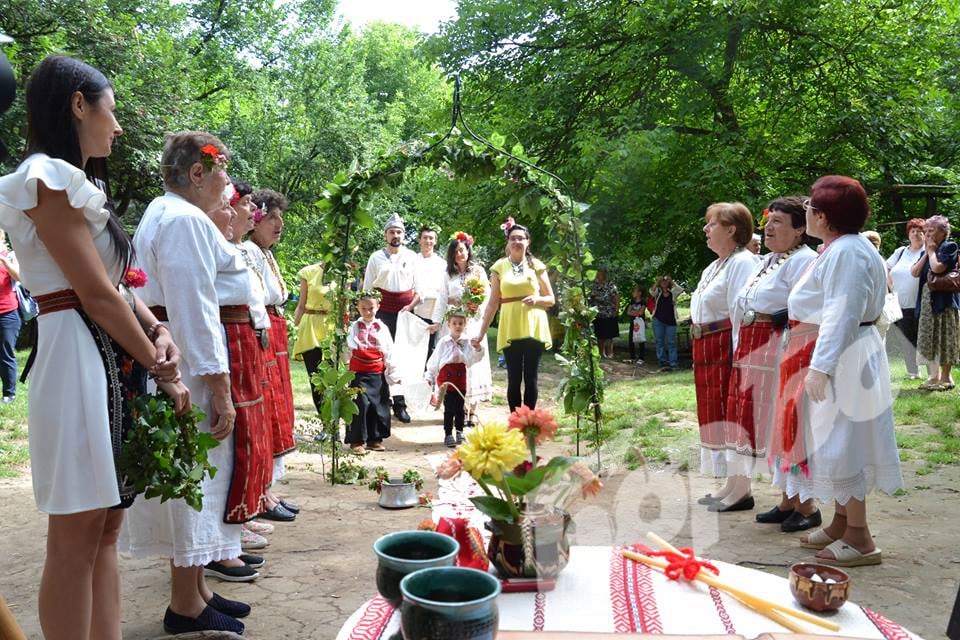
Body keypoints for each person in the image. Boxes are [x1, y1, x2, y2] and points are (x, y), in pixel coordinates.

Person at [0, 56, 188, 640]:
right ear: (78, 105)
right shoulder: (43, 178)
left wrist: (158, 330)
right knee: (75, 534)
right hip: (76, 358)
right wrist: (163, 372)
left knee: (106, 526)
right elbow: (93, 295)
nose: (119, 126)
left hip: (108, 359)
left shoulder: (78, 183)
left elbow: (116, 290)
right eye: (112, 108)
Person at [121, 132, 254, 634]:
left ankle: (195, 588)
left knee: (201, 478)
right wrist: (219, 387)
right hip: (189, 369)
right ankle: (185, 606)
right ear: (197, 173)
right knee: (193, 480)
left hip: (184, 362)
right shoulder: (181, 220)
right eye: (221, 171)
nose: (227, 183)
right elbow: (193, 309)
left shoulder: (172, 214)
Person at [774, 175, 902, 567]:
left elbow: (841, 314)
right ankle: (841, 523)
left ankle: (860, 537)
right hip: (839, 352)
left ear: (825, 216)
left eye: (811, 207)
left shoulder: (847, 251)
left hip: (843, 357)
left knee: (844, 441)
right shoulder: (840, 248)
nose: (808, 211)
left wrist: (821, 367)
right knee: (833, 439)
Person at [719, 197, 819, 523]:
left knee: (789, 423)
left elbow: (807, 305)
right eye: (769, 220)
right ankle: (787, 500)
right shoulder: (770, 259)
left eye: (778, 221)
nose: (769, 226)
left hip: (780, 348)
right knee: (772, 427)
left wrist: (781, 320)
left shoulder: (803, 260)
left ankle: (808, 505)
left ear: (800, 228)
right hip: (754, 346)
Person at [690, 202, 760, 493]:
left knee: (730, 413)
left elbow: (740, 312)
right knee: (715, 412)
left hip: (725, 347)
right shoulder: (715, 265)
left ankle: (741, 487)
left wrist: (739, 357)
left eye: (712, 224)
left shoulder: (742, 263)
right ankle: (732, 484)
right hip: (706, 347)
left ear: (731, 229)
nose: (706, 229)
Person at [248, 188, 300, 520]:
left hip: (274, 328)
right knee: (266, 408)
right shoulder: (250, 252)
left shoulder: (265, 253)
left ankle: (268, 488)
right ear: (255, 221)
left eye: (280, 217)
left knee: (278, 407)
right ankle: (260, 493)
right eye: (271, 218)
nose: (278, 224)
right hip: (262, 330)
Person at [473, 220, 555, 411]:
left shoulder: (537, 266)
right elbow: (493, 302)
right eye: (513, 238)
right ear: (508, 242)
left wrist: (537, 299)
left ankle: (529, 423)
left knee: (531, 376)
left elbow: (550, 299)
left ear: (528, 242)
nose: (517, 241)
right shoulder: (499, 266)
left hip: (534, 325)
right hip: (510, 324)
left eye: (521, 238)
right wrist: (481, 332)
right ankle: (515, 422)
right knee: (514, 376)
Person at [433, 232, 493, 426]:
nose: (460, 254)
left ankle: (473, 410)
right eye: (456, 251)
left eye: (462, 250)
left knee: (473, 361)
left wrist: (478, 307)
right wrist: (437, 321)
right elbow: (442, 299)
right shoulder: (446, 274)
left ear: (468, 250)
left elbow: (487, 296)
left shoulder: (478, 272)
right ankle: (461, 406)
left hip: (473, 322)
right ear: (451, 254)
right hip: (454, 323)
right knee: (456, 361)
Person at [363, 213, 418, 423]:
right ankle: (382, 402)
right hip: (382, 312)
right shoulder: (376, 257)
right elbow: (368, 287)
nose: (395, 235)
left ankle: (401, 404)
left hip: (405, 313)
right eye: (392, 232)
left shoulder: (411, 257)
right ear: (385, 235)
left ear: (403, 235)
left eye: (399, 232)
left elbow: (418, 286)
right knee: (383, 356)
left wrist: (411, 307)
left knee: (402, 358)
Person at [345, 290, 399, 453]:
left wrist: (392, 369)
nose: (368, 312)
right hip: (359, 372)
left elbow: (389, 349)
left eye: (371, 308)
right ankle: (357, 440)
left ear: (378, 306)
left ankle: (374, 438)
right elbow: (347, 348)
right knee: (360, 403)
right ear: (358, 308)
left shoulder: (382, 327)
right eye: (363, 309)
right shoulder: (354, 327)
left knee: (378, 405)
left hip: (376, 371)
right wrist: (346, 360)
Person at [911, 215, 960, 391]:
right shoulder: (928, 250)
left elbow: (938, 268)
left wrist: (931, 253)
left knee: (945, 337)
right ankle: (934, 377)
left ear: (943, 232)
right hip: (927, 302)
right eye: (927, 230)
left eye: (931, 230)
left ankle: (947, 378)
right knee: (929, 338)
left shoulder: (950, 247)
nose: (927, 234)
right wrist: (926, 253)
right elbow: (915, 272)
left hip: (945, 301)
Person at [425, 307, 483, 447]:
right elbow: (435, 359)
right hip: (447, 378)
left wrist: (478, 349)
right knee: (449, 408)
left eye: (461, 323)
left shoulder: (467, 342)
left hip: (460, 377)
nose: (458, 326)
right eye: (455, 323)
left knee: (460, 407)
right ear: (449, 325)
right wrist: (430, 376)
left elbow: (472, 359)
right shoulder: (444, 342)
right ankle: (448, 433)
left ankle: (459, 431)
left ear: (465, 325)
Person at [886, 218, 925, 379]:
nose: (915, 234)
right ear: (908, 234)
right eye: (912, 231)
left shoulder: (926, 252)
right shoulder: (900, 251)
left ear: (925, 235)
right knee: (907, 338)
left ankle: (932, 371)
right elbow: (886, 267)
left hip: (921, 303)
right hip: (900, 302)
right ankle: (913, 371)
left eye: (919, 231)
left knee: (922, 336)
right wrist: (891, 287)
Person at [293, 261, 333, 415]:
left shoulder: (343, 273)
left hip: (331, 327)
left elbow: (346, 306)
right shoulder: (308, 272)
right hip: (309, 327)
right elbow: (301, 305)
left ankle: (333, 423)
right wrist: (294, 328)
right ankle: (325, 422)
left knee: (333, 378)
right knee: (315, 377)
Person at [413, 225, 447, 361]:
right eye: (425, 238)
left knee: (430, 346)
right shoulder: (412, 260)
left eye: (431, 238)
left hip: (433, 308)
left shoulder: (442, 263)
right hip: (414, 308)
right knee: (414, 345)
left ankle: (428, 377)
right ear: (419, 240)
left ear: (435, 241)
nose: (428, 241)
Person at [0, 229, 21, 402]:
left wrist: (4, 261)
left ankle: (9, 393)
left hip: (7, 313)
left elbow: (21, 277)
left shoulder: (10, 257)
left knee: (5, 353)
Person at [649, 276, 682, 370]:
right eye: (662, 281)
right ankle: (662, 362)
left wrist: (671, 280)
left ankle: (673, 363)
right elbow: (651, 291)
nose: (664, 282)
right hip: (658, 320)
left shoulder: (673, 293)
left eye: (665, 281)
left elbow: (679, 289)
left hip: (671, 321)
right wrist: (657, 281)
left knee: (671, 342)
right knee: (660, 342)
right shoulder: (657, 293)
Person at [589, 267, 620, 359]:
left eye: (601, 274)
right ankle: (601, 353)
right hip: (597, 313)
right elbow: (590, 297)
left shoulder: (611, 285)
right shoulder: (594, 285)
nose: (599, 276)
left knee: (609, 335)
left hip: (609, 313)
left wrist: (616, 310)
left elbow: (617, 297)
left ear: (605, 275)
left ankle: (610, 353)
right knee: (599, 335)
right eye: (598, 274)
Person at [625, 286, 647, 364]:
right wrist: (636, 313)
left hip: (640, 323)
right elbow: (628, 312)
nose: (633, 293)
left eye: (634, 291)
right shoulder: (632, 301)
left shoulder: (643, 301)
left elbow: (641, 312)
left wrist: (633, 312)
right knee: (631, 339)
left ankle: (641, 358)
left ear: (639, 293)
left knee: (641, 339)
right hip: (633, 323)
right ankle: (632, 357)